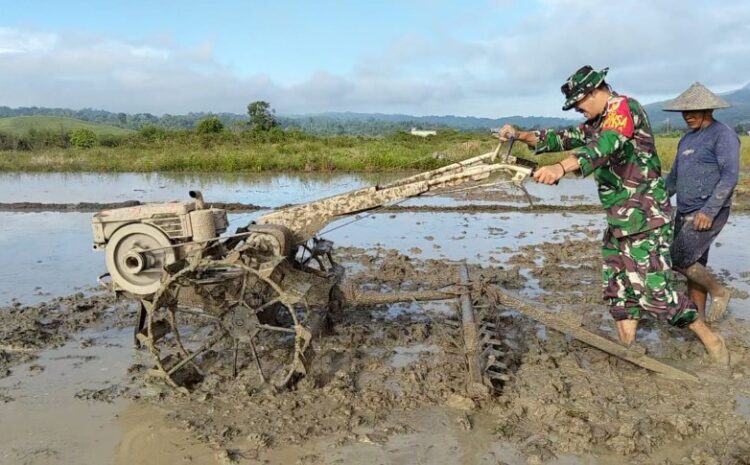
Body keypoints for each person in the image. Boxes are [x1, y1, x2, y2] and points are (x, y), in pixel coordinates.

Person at [498, 65, 728, 364]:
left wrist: (560, 168)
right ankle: (629, 349)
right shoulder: (597, 121)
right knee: (618, 289)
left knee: (655, 292)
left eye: (579, 104)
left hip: (645, 218)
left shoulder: (623, 108)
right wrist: (518, 134)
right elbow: (561, 138)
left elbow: (606, 145)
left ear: (594, 92)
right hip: (620, 220)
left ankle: (712, 340)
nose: (579, 111)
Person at [662, 83, 739, 322]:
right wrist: (655, 201)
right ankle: (699, 322)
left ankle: (720, 291)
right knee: (694, 268)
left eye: (694, 111)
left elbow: (729, 177)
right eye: (685, 112)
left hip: (707, 212)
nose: (688, 116)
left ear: (709, 110)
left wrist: (708, 211)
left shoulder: (723, 135)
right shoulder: (685, 140)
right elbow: (673, 178)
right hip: (684, 210)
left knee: (678, 258)